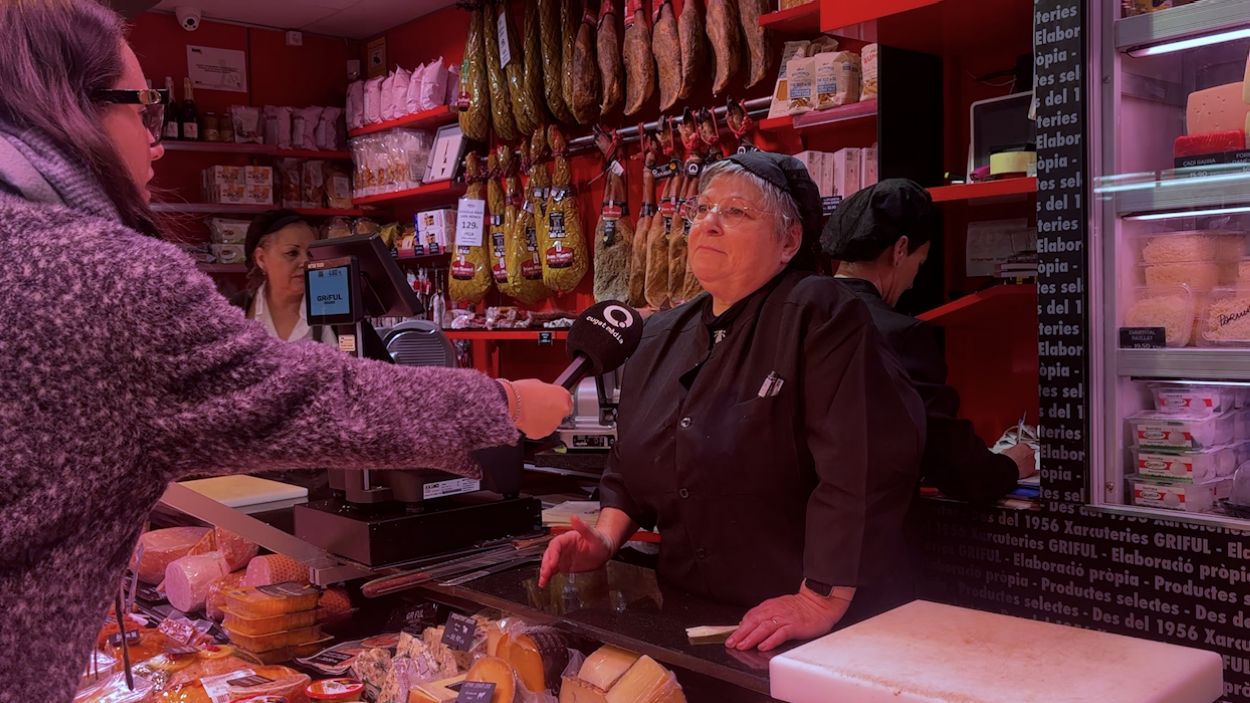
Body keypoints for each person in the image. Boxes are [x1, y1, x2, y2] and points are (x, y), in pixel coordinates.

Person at [0, 3, 571, 700]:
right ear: (69, 107)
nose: (157, 144)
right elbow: (318, 397)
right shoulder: (101, 278)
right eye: (144, 110)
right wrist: (506, 402)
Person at [540, 152, 926, 653]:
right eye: (702, 210)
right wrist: (605, 539)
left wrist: (818, 599)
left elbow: (863, 462)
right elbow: (631, 465)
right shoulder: (659, 334)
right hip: (690, 616)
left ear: (789, 241)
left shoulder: (821, 313)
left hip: (803, 629)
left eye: (736, 213)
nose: (709, 225)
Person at [821, 178, 1038, 503]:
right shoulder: (900, 335)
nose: (910, 284)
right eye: (918, 264)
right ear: (900, 250)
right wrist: (1010, 464)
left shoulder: (794, 313)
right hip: (863, 531)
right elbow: (954, 466)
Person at [231, 210, 391, 361]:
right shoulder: (235, 311)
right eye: (292, 253)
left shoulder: (337, 303)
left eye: (310, 253)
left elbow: (385, 374)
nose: (305, 262)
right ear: (261, 259)